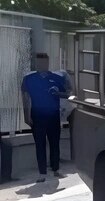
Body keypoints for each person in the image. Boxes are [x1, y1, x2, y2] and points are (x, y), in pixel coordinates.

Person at [21, 52, 71, 182]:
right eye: (39, 62)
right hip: (37, 115)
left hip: (53, 115)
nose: (42, 65)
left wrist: (58, 92)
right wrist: (26, 115)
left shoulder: (57, 77)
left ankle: (56, 169)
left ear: (48, 63)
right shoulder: (29, 78)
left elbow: (68, 94)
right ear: (36, 63)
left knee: (55, 143)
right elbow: (25, 97)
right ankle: (42, 173)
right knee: (40, 144)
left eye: (44, 62)